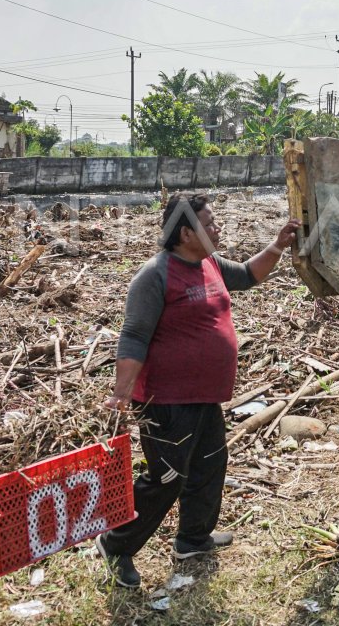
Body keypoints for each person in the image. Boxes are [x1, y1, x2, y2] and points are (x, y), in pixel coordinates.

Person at [94, 193, 300, 588]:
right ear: (186, 233)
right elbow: (134, 336)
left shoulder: (210, 264)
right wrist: (121, 393)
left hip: (205, 396)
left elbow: (248, 274)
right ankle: (116, 545)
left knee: (208, 466)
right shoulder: (155, 275)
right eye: (209, 224)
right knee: (167, 478)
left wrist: (277, 245)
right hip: (166, 401)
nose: (217, 229)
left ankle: (192, 539)